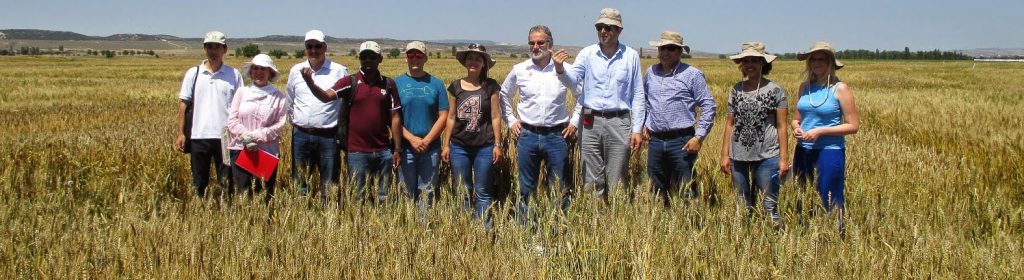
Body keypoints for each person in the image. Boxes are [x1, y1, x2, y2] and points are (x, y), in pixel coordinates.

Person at [553, 8, 646, 201]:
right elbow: (574, 81)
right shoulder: (587, 54)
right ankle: (595, 224)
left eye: (609, 27)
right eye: (600, 27)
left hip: (620, 122)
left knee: (617, 178)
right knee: (591, 179)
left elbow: (638, 94)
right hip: (590, 121)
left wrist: (637, 129)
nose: (603, 31)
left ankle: (616, 224)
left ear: (619, 30)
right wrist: (560, 69)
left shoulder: (631, 56)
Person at [301, 41, 402, 204]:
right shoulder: (350, 81)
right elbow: (326, 97)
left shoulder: (388, 84)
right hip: (356, 152)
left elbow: (395, 116)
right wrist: (310, 83)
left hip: (383, 150)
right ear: (359, 59)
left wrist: (397, 149)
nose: (367, 60)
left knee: (384, 198)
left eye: (372, 57)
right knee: (358, 198)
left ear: (380, 59)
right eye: (364, 57)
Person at [499, 25, 578, 226]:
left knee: (558, 187)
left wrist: (575, 122)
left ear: (550, 45)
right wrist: (511, 120)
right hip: (527, 135)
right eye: (532, 43)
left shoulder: (564, 69)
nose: (535, 46)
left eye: (540, 42)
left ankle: (558, 231)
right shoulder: (520, 69)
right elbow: (504, 95)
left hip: (556, 136)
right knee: (526, 187)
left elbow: (582, 95)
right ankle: (527, 229)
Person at [642, 31, 717, 208]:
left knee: (687, 189)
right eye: (662, 48)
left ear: (680, 51)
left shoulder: (692, 74)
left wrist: (698, 137)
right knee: (656, 190)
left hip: (682, 140)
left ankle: (690, 228)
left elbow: (709, 106)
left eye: (671, 49)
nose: (665, 52)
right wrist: (645, 122)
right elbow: (645, 101)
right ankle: (661, 229)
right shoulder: (651, 72)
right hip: (656, 140)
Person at [792, 41, 860, 230]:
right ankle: (808, 237)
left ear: (830, 62)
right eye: (813, 59)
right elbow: (796, 118)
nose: (816, 62)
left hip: (829, 151)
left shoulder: (840, 89)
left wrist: (820, 131)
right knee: (803, 196)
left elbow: (853, 126)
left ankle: (835, 238)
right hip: (803, 150)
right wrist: (796, 127)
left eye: (821, 59)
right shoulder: (804, 87)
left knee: (829, 196)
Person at [720, 42, 788, 220]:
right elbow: (730, 123)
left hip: (767, 155)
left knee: (769, 205)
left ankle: (775, 240)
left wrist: (783, 159)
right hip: (738, 156)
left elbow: (782, 126)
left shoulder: (775, 90)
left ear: (763, 63)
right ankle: (747, 240)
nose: (750, 65)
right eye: (746, 61)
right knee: (742, 205)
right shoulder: (736, 89)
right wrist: (725, 155)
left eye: (755, 61)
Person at [175, 31, 243, 198]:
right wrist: (180, 133)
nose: (213, 51)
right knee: (199, 181)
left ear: (224, 50)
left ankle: (224, 214)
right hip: (199, 136)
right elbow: (184, 104)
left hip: (226, 137)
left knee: (226, 182)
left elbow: (240, 105)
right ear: (204, 49)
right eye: (209, 47)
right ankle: (201, 212)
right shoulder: (194, 73)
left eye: (217, 47)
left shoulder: (234, 74)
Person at [286, 30, 348, 204]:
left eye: (317, 46)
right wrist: (298, 122)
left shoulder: (339, 71)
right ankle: (300, 215)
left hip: (328, 135)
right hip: (301, 134)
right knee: (300, 181)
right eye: (309, 46)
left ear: (325, 47)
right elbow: (290, 100)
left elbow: (345, 103)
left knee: (329, 182)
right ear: (305, 48)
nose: (313, 50)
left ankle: (328, 217)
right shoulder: (295, 70)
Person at [442, 43, 502, 221]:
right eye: (470, 58)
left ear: (484, 63)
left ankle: (483, 229)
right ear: (465, 62)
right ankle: (466, 229)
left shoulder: (491, 86)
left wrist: (498, 144)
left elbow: (496, 116)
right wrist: (446, 145)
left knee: (483, 192)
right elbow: (451, 117)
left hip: (484, 147)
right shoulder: (455, 87)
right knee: (463, 190)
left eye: (477, 58)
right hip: (459, 147)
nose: (473, 61)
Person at [226, 54, 288, 202]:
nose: (259, 72)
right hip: (240, 149)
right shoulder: (242, 92)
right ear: (251, 71)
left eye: (263, 69)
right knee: (243, 194)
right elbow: (232, 120)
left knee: (264, 196)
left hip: (266, 152)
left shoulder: (278, 96)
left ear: (270, 73)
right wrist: (246, 136)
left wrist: (255, 136)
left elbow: (279, 124)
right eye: (256, 68)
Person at [396, 41, 448, 211]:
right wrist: (411, 139)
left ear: (425, 58)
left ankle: (424, 229)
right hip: (405, 147)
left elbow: (444, 115)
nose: (414, 59)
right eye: (411, 55)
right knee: (405, 192)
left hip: (430, 148)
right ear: (406, 58)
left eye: (418, 55)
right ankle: (407, 230)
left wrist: (426, 141)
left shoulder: (437, 84)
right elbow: (392, 117)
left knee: (427, 192)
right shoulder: (396, 84)